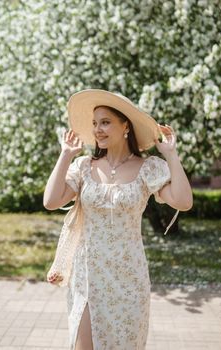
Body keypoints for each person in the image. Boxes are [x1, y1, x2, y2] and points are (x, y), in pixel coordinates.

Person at [43, 89, 193, 350]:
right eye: (94, 123)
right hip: (88, 277)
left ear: (126, 126)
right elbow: (51, 201)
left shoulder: (148, 168)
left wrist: (171, 154)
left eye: (105, 122)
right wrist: (65, 155)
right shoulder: (83, 166)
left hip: (128, 278)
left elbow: (183, 201)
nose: (97, 129)